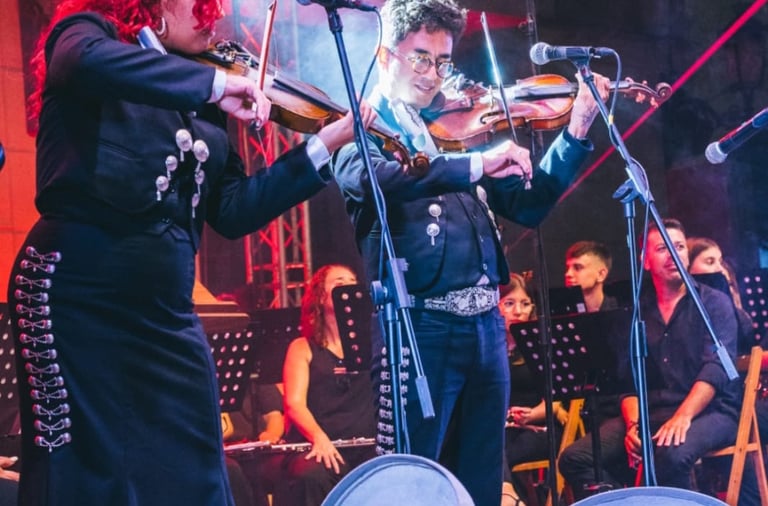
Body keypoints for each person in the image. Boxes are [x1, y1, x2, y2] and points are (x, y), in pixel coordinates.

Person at [7, 1, 375, 505]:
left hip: (164, 310)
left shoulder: (202, 91)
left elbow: (233, 209)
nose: (215, 15)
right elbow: (79, 59)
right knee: (85, 469)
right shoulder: (92, 36)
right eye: (201, 3)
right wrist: (216, 86)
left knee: (194, 465)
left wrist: (321, 147)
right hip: (78, 291)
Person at [331, 0, 611, 502]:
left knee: (482, 475)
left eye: (442, 62)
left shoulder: (456, 131)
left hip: (485, 329)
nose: (433, 74)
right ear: (385, 54)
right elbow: (374, 180)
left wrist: (576, 130)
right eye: (420, 58)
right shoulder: (362, 127)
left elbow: (528, 205)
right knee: (415, 479)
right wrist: (476, 165)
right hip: (420, 327)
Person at [559, 218, 741, 499]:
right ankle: (626, 501)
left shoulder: (714, 302)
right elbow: (628, 379)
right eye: (662, 248)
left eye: (678, 246)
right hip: (653, 413)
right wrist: (634, 425)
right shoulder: (636, 312)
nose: (673, 253)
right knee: (576, 458)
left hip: (711, 411)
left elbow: (715, 369)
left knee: (670, 453)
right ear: (645, 262)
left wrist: (682, 417)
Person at [273, 264, 377, 506]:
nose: (349, 287)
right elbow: (294, 404)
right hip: (319, 445)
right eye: (340, 283)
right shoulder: (302, 347)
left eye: (353, 281)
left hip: (365, 447)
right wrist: (319, 438)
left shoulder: (373, 343)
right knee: (311, 475)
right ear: (320, 297)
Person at [564, 240, 617, 313]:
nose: (568, 274)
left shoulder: (619, 312)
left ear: (601, 275)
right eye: (567, 268)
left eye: (578, 267)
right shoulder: (559, 313)